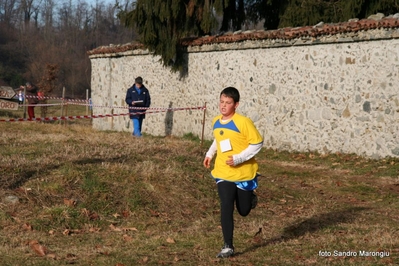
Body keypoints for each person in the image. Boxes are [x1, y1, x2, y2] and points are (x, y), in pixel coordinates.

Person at [203, 87, 263, 258]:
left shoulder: (243, 122)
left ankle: (249, 197)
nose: (223, 105)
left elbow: (257, 143)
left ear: (236, 104)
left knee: (243, 210)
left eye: (228, 103)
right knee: (226, 206)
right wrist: (209, 154)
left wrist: (239, 158)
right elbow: (218, 139)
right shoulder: (216, 121)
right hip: (223, 172)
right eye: (222, 101)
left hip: (244, 173)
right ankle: (228, 246)